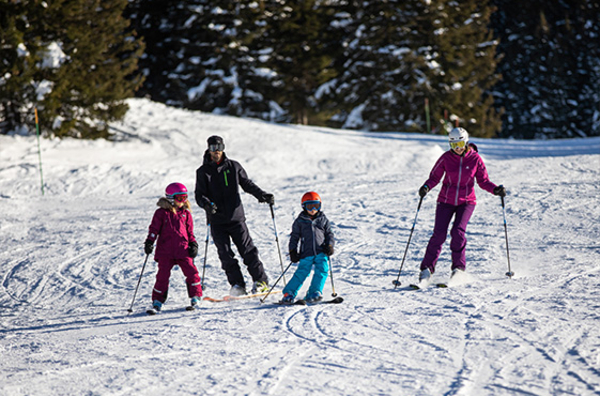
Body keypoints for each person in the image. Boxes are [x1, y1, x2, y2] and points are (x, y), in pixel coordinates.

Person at [417, 127, 506, 282]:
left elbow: (483, 181)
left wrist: (495, 190)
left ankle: (458, 269)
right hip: (445, 201)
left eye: (460, 144)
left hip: (466, 202)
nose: (457, 148)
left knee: (458, 232)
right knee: (439, 235)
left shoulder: (475, 159)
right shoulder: (446, 158)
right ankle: (426, 270)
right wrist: (426, 187)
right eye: (453, 145)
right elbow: (434, 177)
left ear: (465, 142)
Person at [195, 135, 274, 296]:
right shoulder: (203, 172)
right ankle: (237, 285)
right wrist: (206, 205)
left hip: (236, 218)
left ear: (223, 148)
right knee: (225, 254)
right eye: (213, 148)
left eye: (219, 147)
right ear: (208, 149)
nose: (216, 151)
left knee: (247, 250)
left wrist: (262, 195)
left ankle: (261, 281)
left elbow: (247, 184)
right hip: (217, 220)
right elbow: (199, 194)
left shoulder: (233, 166)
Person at [144, 183, 202, 312]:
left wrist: (193, 244)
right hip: (166, 251)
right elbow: (154, 229)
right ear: (170, 198)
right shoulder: (161, 213)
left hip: (183, 250)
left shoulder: (186, 214)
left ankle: (195, 297)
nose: (183, 201)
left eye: (185, 198)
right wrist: (149, 241)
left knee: (192, 273)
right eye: (180, 198)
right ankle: (157, 301)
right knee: (162, 276)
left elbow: (190, 232)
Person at [280, 192, 335, 304]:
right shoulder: (300, 221)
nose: (313, 209)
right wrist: (292, 251)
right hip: (306, 252)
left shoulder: (323, 220)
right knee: (302, 272)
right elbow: (294, 237)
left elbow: (329, 234)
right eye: (310, 206)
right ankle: (289, 293)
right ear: (303, 206)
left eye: (316, 206)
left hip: (321, 251)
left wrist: (330, 245)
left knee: (323, 270)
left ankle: (314, 292)